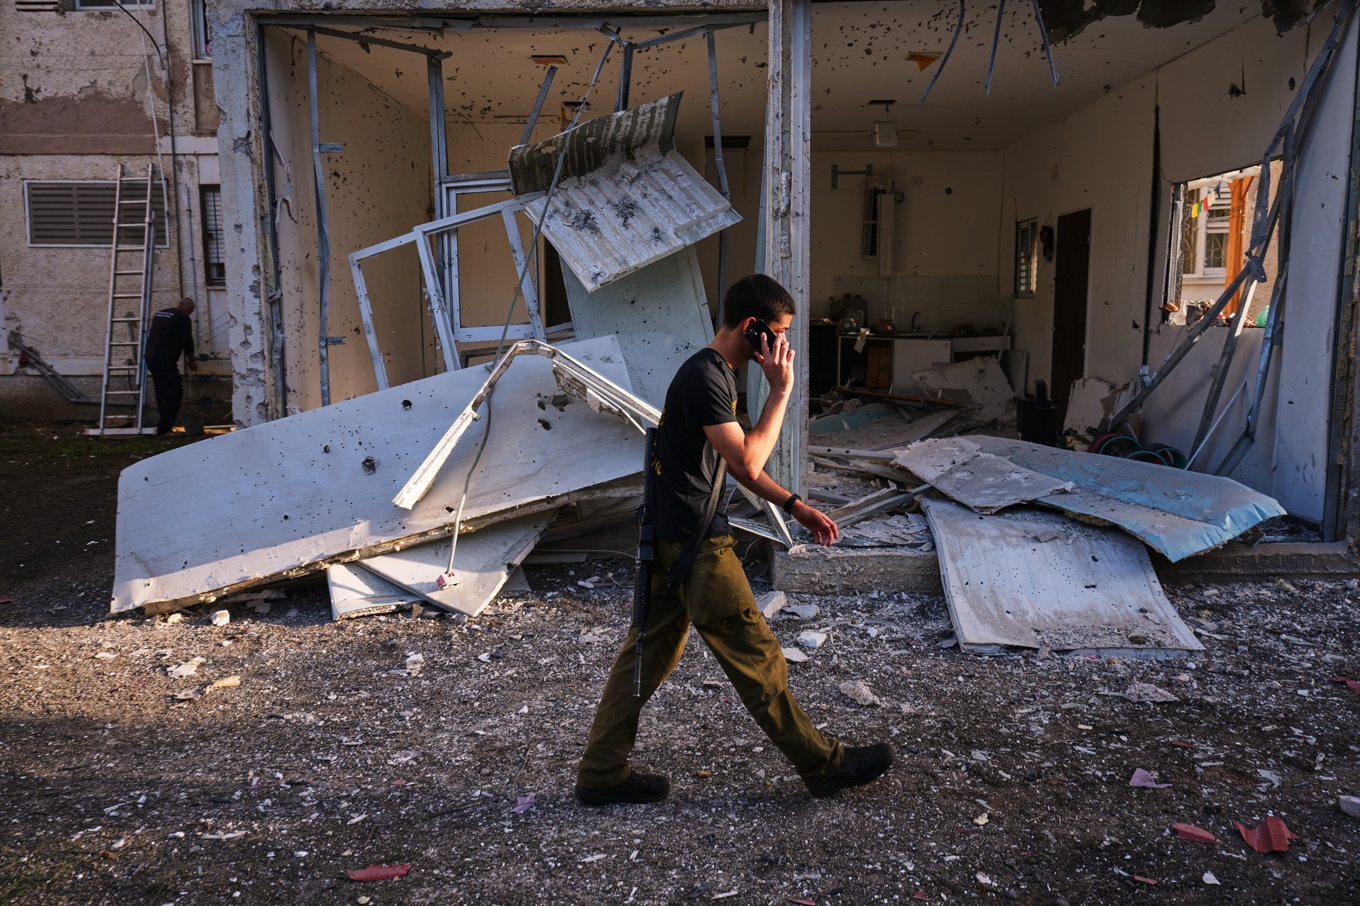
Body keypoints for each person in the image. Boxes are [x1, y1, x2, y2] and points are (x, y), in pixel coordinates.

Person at [575, 274, 894, 806]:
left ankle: (601, 772)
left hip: (671, 540)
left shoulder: (712, 374)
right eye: (778, 334)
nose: (782, 346)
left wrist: (795, 506)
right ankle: (824, 765)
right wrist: (782, 391)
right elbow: (747, 462)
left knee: (643, 661)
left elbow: (741, 460)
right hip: (697, 547)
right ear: (752, 329)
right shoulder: (705, 376)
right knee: (757, 657)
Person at [144, 297, 197, 435]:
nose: (189, 314)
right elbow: (187, 341)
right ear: (187, 309)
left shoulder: (159, 314)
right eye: (190, 312)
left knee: (161, 391)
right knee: (174, 392)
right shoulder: (182, 318)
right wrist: (191, 360)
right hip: (165, 359)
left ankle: (164, 426)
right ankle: (165, 428)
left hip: (151, 357)